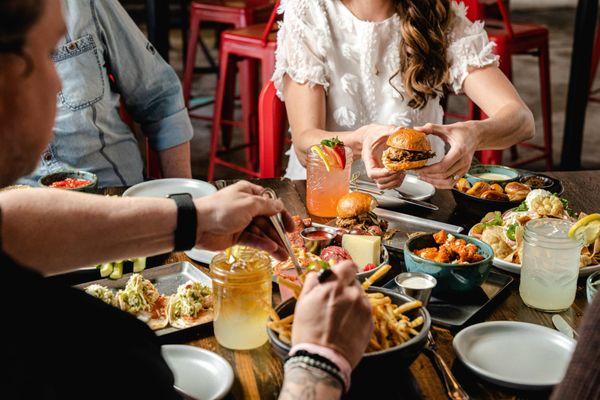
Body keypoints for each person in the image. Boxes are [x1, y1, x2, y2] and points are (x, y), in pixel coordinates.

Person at [0, 1, 373, 398]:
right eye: (47, 55)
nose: (59, 84)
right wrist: (318, 364)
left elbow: (9, 225)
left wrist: (194, 219)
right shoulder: (98, 354)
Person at [274, 0, 535, 189]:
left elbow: (521, 120)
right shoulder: (308, 10)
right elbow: (304, 142)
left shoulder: (439, 14)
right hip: (325, 198)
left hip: (417, 199)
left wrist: (475, 135)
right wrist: (360, 138)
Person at [18, 0, 193, 188]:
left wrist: (185, 201)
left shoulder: (83, 5)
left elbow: (159, 96)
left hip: (109, 189)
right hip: (20, 204)